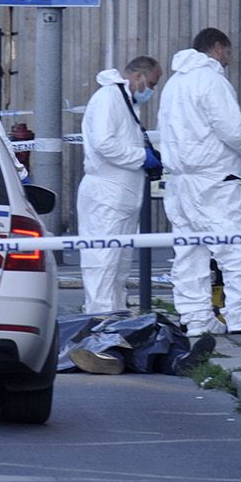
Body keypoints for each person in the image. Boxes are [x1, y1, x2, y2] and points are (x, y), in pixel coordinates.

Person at [161, 27, 241, 338]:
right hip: (214, 177)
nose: (229, 58)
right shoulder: (212, 81)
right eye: (228, 51)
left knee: (190, 252)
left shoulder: (174, 83)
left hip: (181, 181)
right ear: (217, 48)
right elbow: (233, 131)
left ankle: (196, 317)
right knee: (237, 246)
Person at [76, 56, 161, 315]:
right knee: (102, 263)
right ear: (139, 77)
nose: (151, 90)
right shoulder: (109, 99)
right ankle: (100, 322)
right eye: (152, 84)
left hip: (118, 197)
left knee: (116, 265)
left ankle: (114, 320)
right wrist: (141, 157)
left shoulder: (124, 101)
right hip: (106, 195)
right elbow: (104, 144)